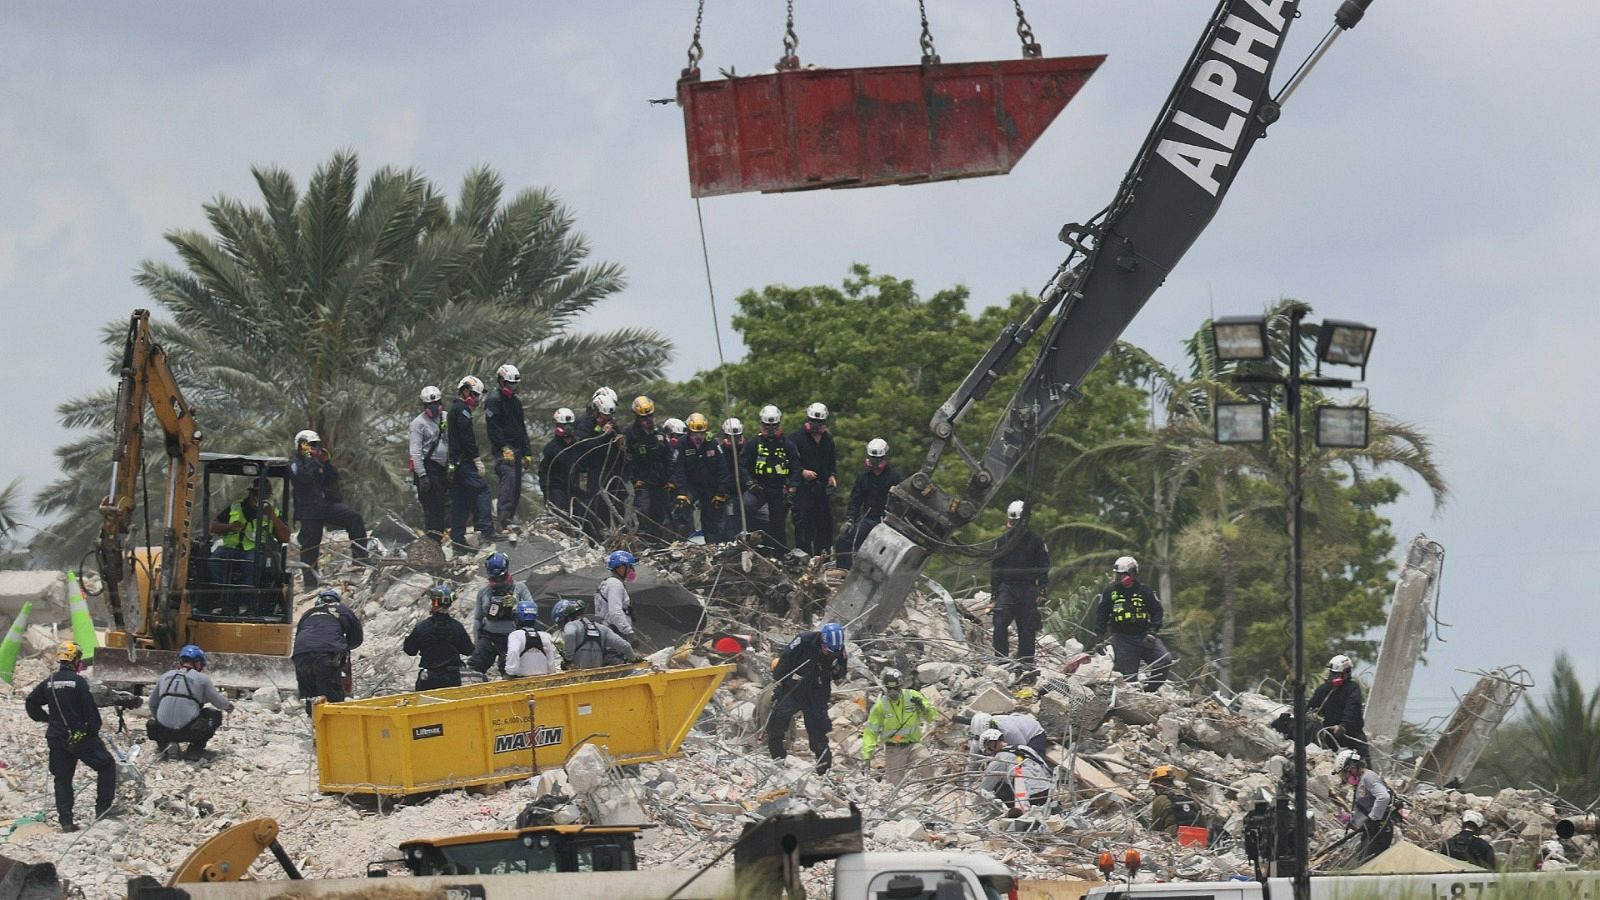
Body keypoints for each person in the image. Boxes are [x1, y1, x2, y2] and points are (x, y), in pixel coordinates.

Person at [25, 642, 117, 831]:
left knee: (62, 778)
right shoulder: (78, 682)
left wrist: (47, 719)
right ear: (75, 660)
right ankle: (102, 811)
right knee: (107, 765)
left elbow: (31, 703)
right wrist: (92, 733)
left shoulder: (49, 682)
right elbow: (92, 716)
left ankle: (66, 821)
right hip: (78, 737)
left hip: (56, 737)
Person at [290, 429, 369, 588]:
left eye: (315, 445)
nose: (313, 449)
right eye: (309, 445)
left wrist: (326, 463)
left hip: (326, 505)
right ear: (300, 446)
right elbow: (304, 477)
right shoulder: (295, 464)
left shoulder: (316, 463)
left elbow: (331, 479)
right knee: (310, 546)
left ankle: (360, 561)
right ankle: (310, 584)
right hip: (309, 511)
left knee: (354, 518)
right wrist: (309, 458)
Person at [766, 622, 848, 775]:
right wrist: (783, 681)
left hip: (818, 691)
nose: (829, 654)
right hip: (794, 687)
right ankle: (777, 758)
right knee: (777, 720)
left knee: (818, 730)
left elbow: (841, 670)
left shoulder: (839, 649)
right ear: (822, 641)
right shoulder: (803, 641)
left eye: (833, 652)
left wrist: (838, 671)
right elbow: (784, 660)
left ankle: (824, 770)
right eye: (827, 650)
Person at [207, 479, 290, 614]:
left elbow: (285, 537)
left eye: (264, 494)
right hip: (231, 548)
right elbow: (214, 526)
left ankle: (245, 604)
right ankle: (225, 601)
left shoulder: (273, 512)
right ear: (250, 493)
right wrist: (230, 526)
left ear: (268, 496)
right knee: (215, 561)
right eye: (256, 493)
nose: (258, 497)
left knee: (251, 563)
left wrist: (273, 517)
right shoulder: (236, 506)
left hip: (255, 550)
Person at [1095, 555, 1172, 691]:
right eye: (1117, 574)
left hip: (1144, 637)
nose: (1118, 577)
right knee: (1130, 680)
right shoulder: (1110, 592)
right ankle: (1135, 698)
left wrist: (1152, 632)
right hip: (1123, 640)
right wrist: (1099, 638)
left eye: (1122, 574)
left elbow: (1157, 612)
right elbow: (1101, 615)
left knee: (1164, 660)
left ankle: (1150, 690)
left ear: (1132, 574)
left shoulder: (1144, 591)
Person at [991, 501, 1050, 668]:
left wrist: (1043, 588)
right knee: (1000, 623)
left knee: (1027, 628)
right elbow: (996, 568)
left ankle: (1025, 664)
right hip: (1007, 588)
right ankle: (1001, 662)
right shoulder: (1002, 540)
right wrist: (994, 594)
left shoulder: (1036, 541)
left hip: (1028, 588)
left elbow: (1043, 566)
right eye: (1013, 522)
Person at [147, 644, 232, 760]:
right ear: (197, 662)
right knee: (214, 714)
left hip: (162, 732)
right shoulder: (202, 679)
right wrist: (229, 707)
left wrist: (163, 720)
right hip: (188, 732)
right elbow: (219, 703)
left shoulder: (164, 677)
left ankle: (165, 745)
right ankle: (195, 750)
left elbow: (152, 704)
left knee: (155, 722)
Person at [860, 667, 938, 786]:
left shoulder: (912, 696)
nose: (892, 692)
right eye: (889, 689)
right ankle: (895, 801)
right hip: (894, 748)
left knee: (925, 759)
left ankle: (931, 789)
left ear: (901, 686)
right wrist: (867, 756)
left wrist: (922, 707)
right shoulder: (880, 706)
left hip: (913, 744)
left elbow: (931, 717)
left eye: (895, 688)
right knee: (894, 784)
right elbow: (871, 732)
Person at [292, 588, 364, 715]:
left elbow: (299, 637)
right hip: (325, 654)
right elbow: (357, 638)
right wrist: (343, 646)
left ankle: (316, 729)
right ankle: (333, 731)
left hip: (300, 656)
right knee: (331, 697)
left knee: (311, 698)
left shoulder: (308, 613)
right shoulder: (342, 609)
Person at [447, 376, 499, 551]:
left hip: (456, 463)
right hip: (465, 462)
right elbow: (467, 438)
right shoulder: (462, 410)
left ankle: (457, 539)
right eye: (475, 395)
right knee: (482, 491)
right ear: (465, 391)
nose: (477, 400)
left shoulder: (455, 409)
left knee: (461, 501)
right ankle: (486, 530)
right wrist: (476, 459)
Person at [485, 364, 533, 534]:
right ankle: (503, 519)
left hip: (518, 448)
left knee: (517, 484)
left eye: (514, 384)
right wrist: (503, 447)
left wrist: (527, 452)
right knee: (509, 478)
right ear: (500, 381)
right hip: (503, 450)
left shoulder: (516, 403)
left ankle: (510, 519)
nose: (512, 388)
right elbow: (493, 428)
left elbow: (521, 428)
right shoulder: (493, 400)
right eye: (509, 384)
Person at [468, 552, 533, 676]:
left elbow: (533, 610)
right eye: (494, 578)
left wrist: (517, 604)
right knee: (474, 667)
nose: (498, 581)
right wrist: (477, 642)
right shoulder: (484, 592)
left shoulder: (520, 588)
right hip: (489, 637)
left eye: (500, 577)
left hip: (513, 637)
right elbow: (477, 618)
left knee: (512, 671)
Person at [840, 438, 902, 568]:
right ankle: (846, 571)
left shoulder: (895, 478)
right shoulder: (863, 477)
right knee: (847, 540)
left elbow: (900, 502)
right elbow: (855, 500)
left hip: (885, 521)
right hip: (867, 519)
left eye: (878, 459)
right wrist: (850, 519)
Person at [786, 402, 837, 556]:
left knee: (824, 524)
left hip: (821, 489)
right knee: (803, 524)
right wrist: (802, 471)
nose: (816, 426)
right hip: (802, 489)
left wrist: (833, 476)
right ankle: (803, 556)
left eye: (819, 423)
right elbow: (789, 461)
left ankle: (824, 556)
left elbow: (831, 461)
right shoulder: (795, 438)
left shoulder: (827, 440)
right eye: (813, 422)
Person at [576, 388, 628, 537]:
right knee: (592, 503)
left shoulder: (611, 424)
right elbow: (585, 447)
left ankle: (617, 533)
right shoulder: (584, 424)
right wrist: (602, 434)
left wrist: (620, 442)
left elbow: (620, 446)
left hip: (609, 472)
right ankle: (590, 535)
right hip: (589, 470)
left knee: (617, 500)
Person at [742, 405, 794, 554]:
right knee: (747, 506)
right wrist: (750, 482)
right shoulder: (753, 444)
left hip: (778, 488)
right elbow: (743, 466)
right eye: (767, 426)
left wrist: (792, 487)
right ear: (761, 425)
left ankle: (780, 553)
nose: (770, 430)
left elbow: (796, 466)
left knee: (778, 523)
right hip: (758, 488)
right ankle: (751, 542)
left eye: (774, 426)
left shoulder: (787, 445)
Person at [403, 583, 474, 690]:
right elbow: (468, 650)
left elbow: (410, 651)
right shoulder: (457, 627)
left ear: (434, 603)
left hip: (429, 678)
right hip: (452, 678)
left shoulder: (422, 627)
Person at [1334, 749, 1395, 863]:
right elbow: (1366, 805)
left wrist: (1373, 818)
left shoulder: (1368, 777)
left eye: (1345, 773)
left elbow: (1383, 797)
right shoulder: (1361, 781)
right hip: (1371, 829)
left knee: (1368, 863)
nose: (1345, 778)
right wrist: (1353, 820)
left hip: (1379, 828)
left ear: (1352, 766)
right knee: (1363, 861)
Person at [977, 728, 1053, 817]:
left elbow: (985, 788)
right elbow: (1043, 766)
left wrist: (975, 803)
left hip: (1032, 797)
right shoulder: (1024, 748)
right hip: (1048, 791)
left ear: (990, 746)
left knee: (999, 787)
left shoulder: (999, 759)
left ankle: (1016, 810)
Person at [408, 386, 451, 544]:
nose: (433, 407)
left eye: (436, 403)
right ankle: (433, 540)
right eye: (429, 405)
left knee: (442, 505)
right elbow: (416, 452)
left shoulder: (446, 417)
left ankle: (440, 536)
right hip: (428, 469)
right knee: (431, 508)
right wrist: (422, 475)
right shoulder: (418, 424)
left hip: (442, 468)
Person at [673, 413, 726, 542]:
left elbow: (722, 469)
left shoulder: (712, 443)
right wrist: (681, 492)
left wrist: (721, 492)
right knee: (683, 508)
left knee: (711, 520)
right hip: (690, 486)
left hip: (709, 487)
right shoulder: (682, 444)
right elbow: (678, 469)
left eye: (701, 433)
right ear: (689, 432)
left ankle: (712, 546)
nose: (698, 437)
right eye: (695, 433)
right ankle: (681, 541)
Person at [624, 396, 671, 539]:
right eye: (644, 418)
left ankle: (657, 543)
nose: (648, 421)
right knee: (643, 511)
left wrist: (669, 478)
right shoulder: (630, 433)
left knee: (659, 513)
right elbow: (627, 459)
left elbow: (668, 456)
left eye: (650, 416)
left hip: (659, 481)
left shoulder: (660, 432)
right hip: (641, 482)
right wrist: (634, 479)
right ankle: (644, 541)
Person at [553, 598, 636, 670]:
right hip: (597, 676)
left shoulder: (571, 625)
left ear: (567, 618)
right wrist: (633, 659)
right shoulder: (602, 628)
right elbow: (625, 646)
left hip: (578, 676)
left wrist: (568, 660)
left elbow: (570, 635)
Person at [1310, 654, 1369, 755]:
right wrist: (1311, 715)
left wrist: (1343, 726)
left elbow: (1352, 709)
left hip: (1352, 738)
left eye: (1335, 674)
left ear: (1346, 674)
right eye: (1332, 673)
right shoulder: (1323, 690)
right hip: (1330, 738)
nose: (1332, 676)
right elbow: (1311, 707)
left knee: (1363, 768)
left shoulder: (1352, 688)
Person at [538, 407, 583, 521]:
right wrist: (546, 493)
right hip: (556, 490)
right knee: (560, 519)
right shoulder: (550, 448)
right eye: (564, 425)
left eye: (570, 425)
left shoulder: (579, 444)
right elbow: (543, 471)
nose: (567, 428)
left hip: (574, 489)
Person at [593, 550, 640, 648]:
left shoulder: (605, 583)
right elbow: (615, 612)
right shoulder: (615, 584)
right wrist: (629, 633)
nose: (632, 570)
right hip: (614, 632)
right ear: (622, 568)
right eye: (630, 567)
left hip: (606, 630)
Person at [505, 599, 559, 677]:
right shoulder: (545, 636)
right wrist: (551, 673)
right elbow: (551, 661)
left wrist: (509, 672)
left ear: (517, 618)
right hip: (543, 678)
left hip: (521, 679)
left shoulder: (515, 635)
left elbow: (513, 651)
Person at [1148, 766, 1208, 835]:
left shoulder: (1159, 800)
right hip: (1196, 836)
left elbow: (1155, 828)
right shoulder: (1189, 795)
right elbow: (1202, 821)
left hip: (1173, 837)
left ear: (1157, 784)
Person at [968, 711, 1050, 761]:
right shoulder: (979, 736)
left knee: (1030, 760)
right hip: (1016, 731)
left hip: (1034, 735)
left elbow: (1023, 749)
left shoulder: (1010, 731)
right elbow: (973, 759)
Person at [717, 418, 749, 539]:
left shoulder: (747, 449)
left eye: (737, 437)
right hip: (727, 494)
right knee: (728, 523)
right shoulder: (719, 451)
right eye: (730, 437)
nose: (734, 440)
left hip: (745, 492)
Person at [659, 418, 692, 538]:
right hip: (663, 488)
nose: (679, 439)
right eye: (676, 436)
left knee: (684, 517)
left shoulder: (683, 450)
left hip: (681, 489)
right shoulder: (662, 449)